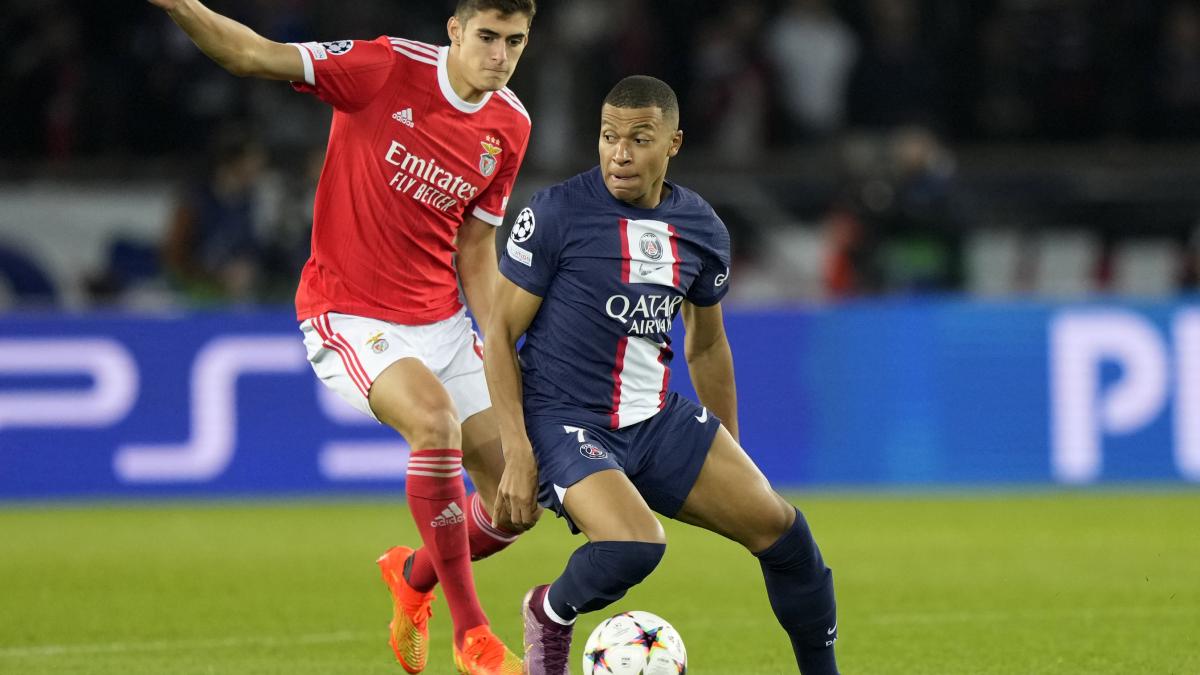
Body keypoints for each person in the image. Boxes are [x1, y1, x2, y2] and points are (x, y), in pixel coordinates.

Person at [144, 1, 537, 673]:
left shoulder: (511, 124)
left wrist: (493, 338)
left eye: (516, 42)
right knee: (434, 421)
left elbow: (476, 248)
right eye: (488, 37)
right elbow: (253, 54)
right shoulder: (382, 67)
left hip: (442, 320)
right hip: (350, 312)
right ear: (455, 30)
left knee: (514, 502)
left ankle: (412, 575)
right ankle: (473, 634)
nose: (499, 55)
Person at [486, 76, 840, 674]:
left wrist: (726, 446)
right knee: (634, 545)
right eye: (608, 137)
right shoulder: (554, 214)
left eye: (639, 139)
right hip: (566, 418)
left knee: (787, 536)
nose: (619, 153)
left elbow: (706, 347)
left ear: (672, 143)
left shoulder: (700, 229)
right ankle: (551, 611)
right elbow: (497, 334)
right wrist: (518, 452)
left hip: (654, 418)